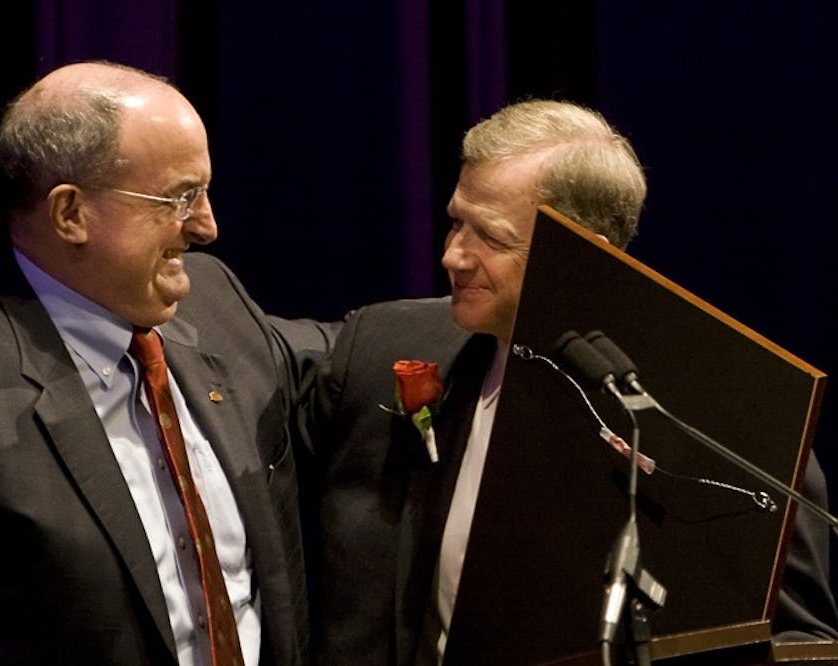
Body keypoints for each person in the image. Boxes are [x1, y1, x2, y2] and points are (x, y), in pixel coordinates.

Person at [304, 99, 838, 664]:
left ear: (585, 252)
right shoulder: (387, 343)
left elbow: (798, 640)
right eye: (456, 220)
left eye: (489, 236)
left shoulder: (730, 422)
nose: (452, 256)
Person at [0, 61, 319, 665]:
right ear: (71, 214)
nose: (206, 226)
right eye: (179, 197)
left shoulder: (215, 301)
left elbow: (348, 359)